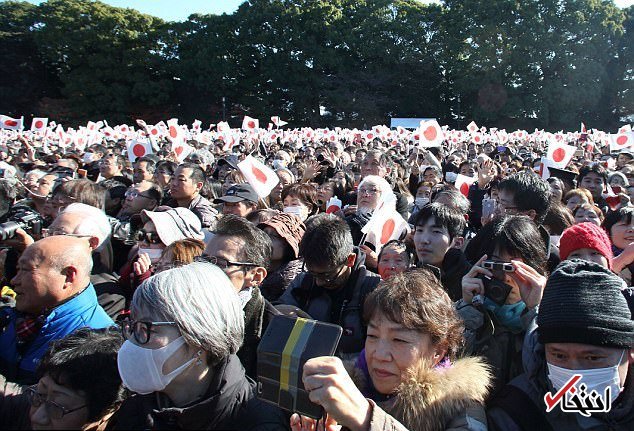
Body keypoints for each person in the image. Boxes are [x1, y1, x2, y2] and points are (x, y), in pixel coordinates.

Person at [290, 269, 492, 431]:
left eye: (400, 340)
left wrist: (365, 418)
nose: (379, 354)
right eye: (372, 336)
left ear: (437, 351)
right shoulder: (342, 387)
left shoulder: (461, 407)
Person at [111, 263, 288, 430]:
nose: (133, 340)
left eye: (146, 328)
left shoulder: (259, 422)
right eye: (132, 327)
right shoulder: (136, 409)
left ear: (199, 337)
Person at [487, 260, 634, 430]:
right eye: (559, 356)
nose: (574, 373)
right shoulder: (516, 412)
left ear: (629, 351)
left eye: (592, 358)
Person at [0, 236, 113, 384]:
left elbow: (52, 402)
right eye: (17, 269)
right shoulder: (22, 317)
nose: (14, 280)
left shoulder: (96, 341)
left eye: (26, 269)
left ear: (68, 276)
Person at [460, 215, 548, 395]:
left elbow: (544, 374)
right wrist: (467, 307)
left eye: (514, 268)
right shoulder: (472, 310)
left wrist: (535, 312)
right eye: (496, 264)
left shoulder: (549, 316)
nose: (506, 276)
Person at [280, 214, 381, 355]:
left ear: (350, 260)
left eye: (326, 275)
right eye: (312, 273)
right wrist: (280, 314)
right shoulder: (303, 282)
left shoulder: (374, 292)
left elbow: (380, 352)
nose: (318, 282)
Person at [0, 327, 125, 430]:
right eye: (39, 394)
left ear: (108, 411)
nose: (37, 417)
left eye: (57, 407)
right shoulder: (19, 405)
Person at [202, 215, 278, 378]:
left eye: (221, 264)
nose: (206, 269)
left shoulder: (273, 331)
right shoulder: (182, 308)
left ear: (256, 276)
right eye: (204, 260)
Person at [48, 203, 126, 319]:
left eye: (60, 234)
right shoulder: (38, 269)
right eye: (49, 232)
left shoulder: (106, 293)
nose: (48, 239)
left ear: (92, 243)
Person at [412, 203, 469, 301]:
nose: (424, 240)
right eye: (420, 230)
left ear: (458, 242)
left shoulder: (470, 281)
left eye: (436, 232)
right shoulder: (409, 280)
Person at [258, 212, 306, 301]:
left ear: (289, 246)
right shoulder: (251, 269)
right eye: (264, 233)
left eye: (274, 236)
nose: (265, 239)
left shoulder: (296, 282)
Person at [168, 163, 218, 229]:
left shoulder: (203, 214)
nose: (174, 183)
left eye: (181, 180)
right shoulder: (169, 204)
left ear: (198, 186)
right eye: (173, 178)